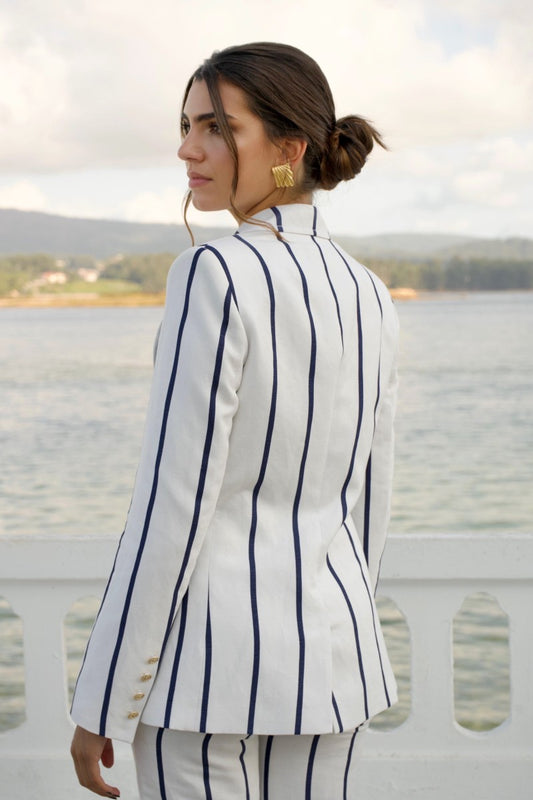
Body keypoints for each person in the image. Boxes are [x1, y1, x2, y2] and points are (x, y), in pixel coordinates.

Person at [70, 42, 399, 800]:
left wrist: (104, 700)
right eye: (186, 126)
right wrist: (343, 625)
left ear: (287, 149)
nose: (188, 149)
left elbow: (172, 507)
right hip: (334, 663)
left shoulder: (212, 272)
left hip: (205, 673)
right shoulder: (369, 292)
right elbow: (369, 504)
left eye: (218, 128)